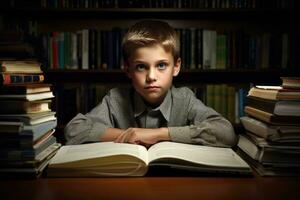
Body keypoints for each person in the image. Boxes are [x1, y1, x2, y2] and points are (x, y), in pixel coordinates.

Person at [65, 20, 237, 147]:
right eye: (141, 67)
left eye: (161, 65)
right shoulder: (116, 99)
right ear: (128, 70)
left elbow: (226, 133)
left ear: (176, 67)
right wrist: (130, 135)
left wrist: (159, 134)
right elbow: (74, 130)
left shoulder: (185, 99)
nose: (151, 76)